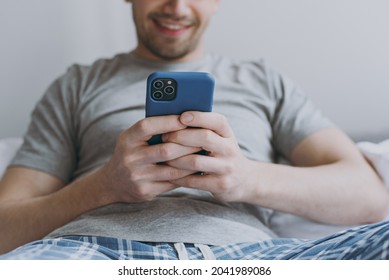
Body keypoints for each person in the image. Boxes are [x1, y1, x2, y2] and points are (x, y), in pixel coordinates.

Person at [0, 0, 388, 260]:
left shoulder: (264, 81)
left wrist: (245, 179)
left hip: (252, 258)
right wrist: (104, 186)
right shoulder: (78, 85)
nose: (177, 7)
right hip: (95, 252)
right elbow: (4, 227)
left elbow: (369, 194)